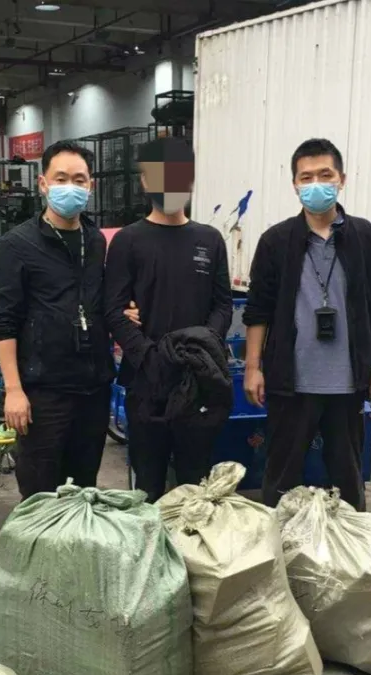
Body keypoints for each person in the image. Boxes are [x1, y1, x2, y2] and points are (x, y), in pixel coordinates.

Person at [242, 138, 371, 511]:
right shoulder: (276, 241)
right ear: (294, 185)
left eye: (325, 175)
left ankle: (350, 543)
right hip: (291, 382)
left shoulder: (364, 237)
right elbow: (258, 310)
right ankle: (280, 543)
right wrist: (253, 368)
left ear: (342, 179)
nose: (316, 185)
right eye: (306, 177)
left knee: (348, 481)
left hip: (348, 382)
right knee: (281, 479)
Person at [105, 137, 233, 502]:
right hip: (147, 382)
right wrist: (149, 356)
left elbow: (223, 305)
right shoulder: (128, 241)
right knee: (147, 488)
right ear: (146, 181)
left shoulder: (210, 239)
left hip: (199, 381)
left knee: (197, 487)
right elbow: (113, 309)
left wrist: (202, 349)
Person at [0, 140, 113, 499]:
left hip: (93, 390)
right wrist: (14, 391)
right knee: (40, 495)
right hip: (43, 393)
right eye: (61, 179)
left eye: (79, 179)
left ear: (91, 186)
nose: (70, 187)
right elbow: (4, 322)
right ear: (43, 184)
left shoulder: (96, 241)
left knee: (83, 493)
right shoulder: (17, 245)